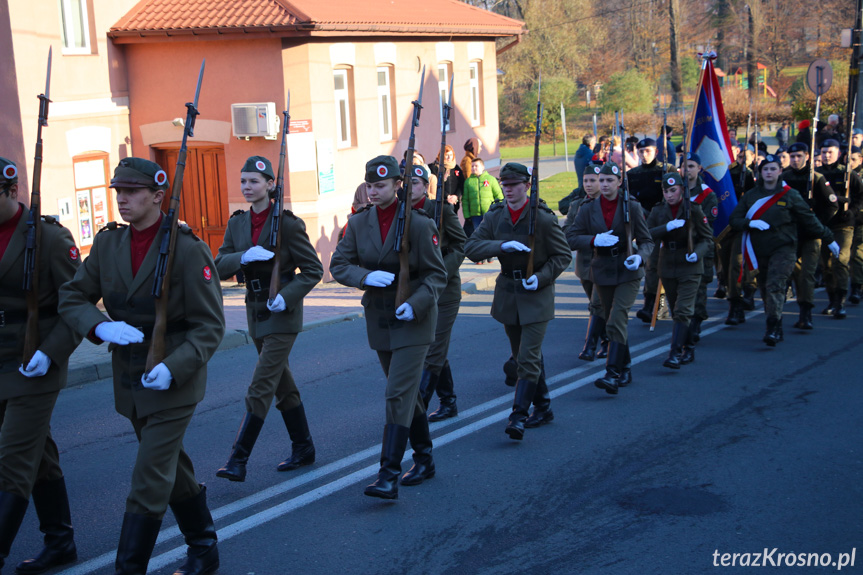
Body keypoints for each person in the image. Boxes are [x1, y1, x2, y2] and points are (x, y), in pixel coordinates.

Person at [58, 157, 225, 575]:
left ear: (157, 194)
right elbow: (72, 297)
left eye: (132, 191)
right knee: (169, 465)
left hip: (175, 379)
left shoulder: (187, 248)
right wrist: (100, 329)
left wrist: (174, 366)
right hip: (131, 377)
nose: (123, 199)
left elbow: (210, 326)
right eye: (118, 191)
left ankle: (128, 568)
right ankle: (204, 545)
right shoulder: (109, 245)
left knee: (149, 476)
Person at [330, 156, 446, 499]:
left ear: (398, 186)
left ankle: (388, 474)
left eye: (380, 185)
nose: (373, 192)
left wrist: (417, 302)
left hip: (413, 320)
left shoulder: (420, 225)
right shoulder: (359, 223)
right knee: (407, 394)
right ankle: (425, 459)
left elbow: (437, 275)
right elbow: (339, 264)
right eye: (370, 185)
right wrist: (364, 276)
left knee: (397, 393)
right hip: (380, 319)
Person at [214, 156, 323, 483]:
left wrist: (286, 296)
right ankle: (304, 447)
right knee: (280, 382)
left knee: (262, 381)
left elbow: (314, 271)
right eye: (244, 182)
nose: (247, 187)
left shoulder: (288, 224)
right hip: (255, 309)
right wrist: (242, 257)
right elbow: (219, 265)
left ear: (271, 185)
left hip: (282, 313)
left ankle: (238, 458)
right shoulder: (237, 224)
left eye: (254, 182)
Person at [0, 157, 81, 574]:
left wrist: (51, 351)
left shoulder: (47, 237)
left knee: (11, 458)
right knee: (38, 454)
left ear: (11, 192)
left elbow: (77, 304)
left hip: (36, 360)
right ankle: (60, 540)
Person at [464, 162, 571, 437]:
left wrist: (543, 276)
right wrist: (500, 246)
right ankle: (544, 406)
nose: (508, 189)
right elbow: (472, 247)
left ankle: (519, 416)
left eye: (513, 184)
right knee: (524, 356)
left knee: (527, 357)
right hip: (509, 292)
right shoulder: (496, 215)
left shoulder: (543, 218)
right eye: (505, 184)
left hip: (536, 294)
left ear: (527, 186)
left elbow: (562, 256)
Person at [729, 154, 838, 346]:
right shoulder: (752, 196)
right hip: (760, 249)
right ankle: (776, 323)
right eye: (765, 169)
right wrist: (750, 222)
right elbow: (734, 220)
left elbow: (809, 220)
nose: (769, 172)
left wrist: (828, 238)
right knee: (764, 287)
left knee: (775, 285)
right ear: (760, 173)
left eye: (773, 169)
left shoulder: (791, 195)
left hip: (784, 248)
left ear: (780, 171)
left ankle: (771, 327)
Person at [567, 162, 653, 395]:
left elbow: (647, 241)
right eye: (601, 180)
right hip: (602, 269)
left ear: (619, 182)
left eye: (609, 181)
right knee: (610, 320)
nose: (604, 185)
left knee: (616, 320)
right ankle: (625, 368)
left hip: (627, 269)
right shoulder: (587, 208)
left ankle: (612, 373)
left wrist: (640, 258)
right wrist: (594, 240)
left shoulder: (631, 206)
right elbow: (572, 237)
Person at [404, 164, 467, 422]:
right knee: (433, 349)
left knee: (433, 349)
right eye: (406, 184)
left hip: (445, 291)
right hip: (417, 292)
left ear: (425, 187)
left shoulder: (440, 210)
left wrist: (441, 271)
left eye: (415, 184)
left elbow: (460, 245)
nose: (410, 189)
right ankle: (449, 401)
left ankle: (413, 412)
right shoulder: (401, 213)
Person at [646, 172, 712, 368]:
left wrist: (697, 254)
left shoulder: (694, 210)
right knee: (677, 311)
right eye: (666, 191)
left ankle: (675, 353)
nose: (669, 195)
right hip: (667, 264)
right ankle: (689, 346)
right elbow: (647, 234)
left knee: (683, 310)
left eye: (673, 190)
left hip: (689, 265)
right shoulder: (658, 211)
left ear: (682, 190)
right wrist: (667, 227)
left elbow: (707, 238)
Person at [784, 142, 838, 329]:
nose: (795, 160)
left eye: (799, 156)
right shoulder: (784, 178)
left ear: (807, 156)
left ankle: (805, 313)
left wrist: (818, 223)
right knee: (793, 272)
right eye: (792, 156)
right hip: (791, 233)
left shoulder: (816, 178)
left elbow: (832, 205)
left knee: (807, 274)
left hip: (811, 235)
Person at [626, 138, 675, 323]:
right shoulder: (633, 174)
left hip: (665, 222)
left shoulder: (667, 170)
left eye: (648, 151)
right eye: (640, 152)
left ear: (656, 151)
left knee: (664, 265)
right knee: (651, 265)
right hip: (643, 225)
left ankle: (662, 304)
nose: (644, 155)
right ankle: (651, 303)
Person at [564, 162, 608, 361]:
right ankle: (607, 338)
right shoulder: (577, 205)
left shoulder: (611, 205)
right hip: (585, 265)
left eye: (593, 180)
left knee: (597, 305)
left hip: (607, 264)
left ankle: (591, 346)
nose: (589, 185)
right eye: (586, 181)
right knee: (596, 303)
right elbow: (568, 235)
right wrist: (591, 239)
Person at [816, 139, 863, 317]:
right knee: (826, 265)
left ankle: (840, 301)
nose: (827, 156)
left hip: (843, 225)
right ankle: (831, 299)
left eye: (831, 152)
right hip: (822, 224)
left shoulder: (847, 173)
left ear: (838, 154)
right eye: (824, 152)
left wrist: (852, 210)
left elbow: (860, 195)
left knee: (840, 261)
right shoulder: (816, 174)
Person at [681, 153, 719, 344]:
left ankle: (696, 322)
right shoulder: (675, 190)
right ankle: (682, 322)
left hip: (700, 246)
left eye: (691, 166)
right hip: (678, 248)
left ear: (699, 169)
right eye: (683, 166)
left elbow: (707, 223)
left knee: (699, 288)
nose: (686, 170)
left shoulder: (707, 194)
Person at [461, 158, 503, 236]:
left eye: (476, 166)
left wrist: (498, 211)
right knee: (478, 235)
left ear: (482, 167)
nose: (473, 168)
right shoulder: (468, 182)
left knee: (490, 234)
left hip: (489, 213)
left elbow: (499, 196)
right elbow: (465, 200)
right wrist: (467, 216)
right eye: (472, 166)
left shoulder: (491, 179)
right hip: (475, 216)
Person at [428, 144, 464, 214]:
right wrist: (447, 196)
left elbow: (461, 184)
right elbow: (435, 185)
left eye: (451, 155)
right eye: (446, 155)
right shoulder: (434, 167)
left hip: (454, 203)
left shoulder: (456, 168)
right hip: (440, 202)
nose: (449, 157)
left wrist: (456, 196)